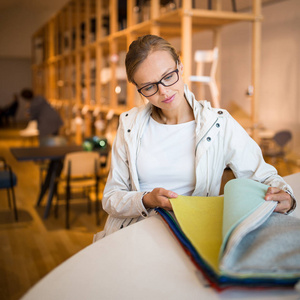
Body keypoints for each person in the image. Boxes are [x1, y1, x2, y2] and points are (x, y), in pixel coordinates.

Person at [94, 34, 296, 240]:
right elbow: (111, 198)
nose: (163, 92)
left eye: (168, 76)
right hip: (133, 235)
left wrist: (285, 195)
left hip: (192, 237)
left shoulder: (218, 124)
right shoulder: (129, 125)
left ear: (180, 67)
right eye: (149, 87)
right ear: (139, 89)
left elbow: (263, 177)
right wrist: (146, 199)